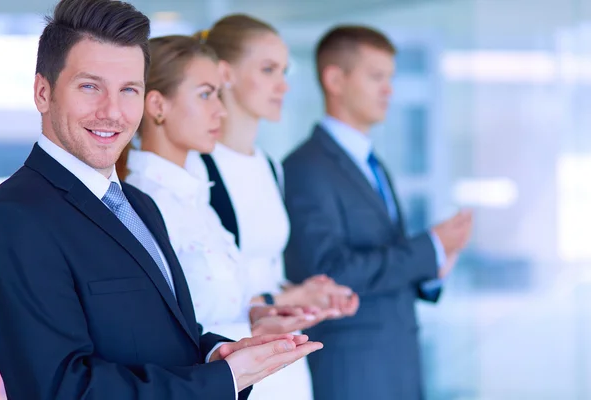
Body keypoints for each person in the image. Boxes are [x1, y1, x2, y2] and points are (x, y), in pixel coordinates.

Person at [0, 1, 322, 399]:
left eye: (129, 89)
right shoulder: (14, 217)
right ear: (43, 93)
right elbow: (60, 389)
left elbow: (165, 336)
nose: (112, 111)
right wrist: (222, 380)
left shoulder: (139, 205)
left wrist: (218, 352)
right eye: (90, 86)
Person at [117, 32, 342, 358]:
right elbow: (157, 332)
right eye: (206, 95)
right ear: (157, 105)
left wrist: (262, 314)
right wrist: (250, 327)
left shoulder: (196, 197)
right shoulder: (142, 205)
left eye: (219, 95)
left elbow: (216, 304)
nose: (221, 111)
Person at [283, 25, 474, 400]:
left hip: (397, 363)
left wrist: (433, 269)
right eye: (376, 77)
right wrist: (429, 247)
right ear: (335, 79)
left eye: (390, 78)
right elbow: (329, 272)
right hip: (352, 369)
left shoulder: (373, 163)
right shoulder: (305, 167)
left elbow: (383, 260)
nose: (389, 90)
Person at [194, 15, 360, 400]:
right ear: (226, 73)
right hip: (235, 359)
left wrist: (304, 292)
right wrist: (281, 301)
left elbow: (266, 268)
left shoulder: (270, 166)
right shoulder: (197, 168)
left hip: (286, 360)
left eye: (284, 71)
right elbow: (199, 290)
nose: (283, 85)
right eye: (268, 70)